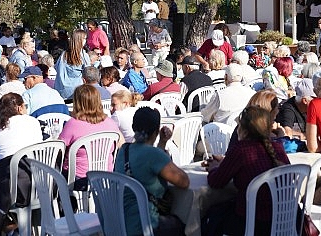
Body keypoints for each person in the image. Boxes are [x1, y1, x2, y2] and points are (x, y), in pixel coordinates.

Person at [205, 105, 290, 236]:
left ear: (243, 129)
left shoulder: (241, 150)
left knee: (211, 216)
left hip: (252, 223)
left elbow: (216, 182)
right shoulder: (277, 147)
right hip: (284, 220)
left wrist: (213, 168)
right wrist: (225, 163)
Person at [114, 106, 189, 236]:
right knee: (188, 224)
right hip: (145, 225)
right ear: (156, 130)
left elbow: (151, 162)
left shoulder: (124, 150)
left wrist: (162, 142)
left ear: (133, 127)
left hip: (120, 223)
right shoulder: (153, 155)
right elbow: (184, 181)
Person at [0, 94, 43, 235]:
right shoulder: (33, 122)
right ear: (20, 108)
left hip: (12, 190)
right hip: (40, 184)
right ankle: (12, 223)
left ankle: (7, 223)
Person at [59, 85, 124, 182]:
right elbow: (121, 144)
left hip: (78, 178)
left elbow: (59, 149)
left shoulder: (73, 124)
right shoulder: (110, 123)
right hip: (106, 175)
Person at [54, 29, 91, 100]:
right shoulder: (83, 55)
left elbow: (57, 68)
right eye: (84, 38)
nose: (85, 41)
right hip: (77, 92)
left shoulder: (64, 54)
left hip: (61, 90)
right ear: (79, 40)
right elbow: (88, 73)